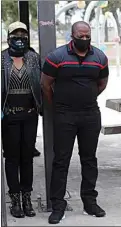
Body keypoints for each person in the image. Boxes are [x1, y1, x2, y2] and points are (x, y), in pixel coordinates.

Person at [41, 21, 109, 224]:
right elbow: (45, 84)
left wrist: (86, 97)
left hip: (90, 115)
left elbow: (102, 83)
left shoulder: (99, 57)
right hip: (64, 115)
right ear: (72, 36)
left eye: (88, 36)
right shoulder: (56, 57)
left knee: (89, 159)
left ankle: (90, 202)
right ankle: (58, 205)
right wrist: (59, 106)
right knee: (61, 160)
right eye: (81, 35)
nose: (85, 39)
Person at [1, 21, 42, 218]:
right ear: (8, 38)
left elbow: (42, 83)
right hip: (9, 116)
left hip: (30, 115)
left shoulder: (34, 58)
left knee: (27, 157)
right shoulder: (1, 60)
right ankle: (14, 199)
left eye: (23, 36)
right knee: (11, 158)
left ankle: (27, 198)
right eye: (15, 36)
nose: (19, 39)